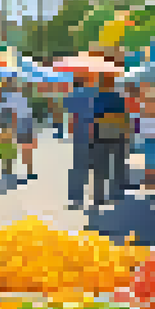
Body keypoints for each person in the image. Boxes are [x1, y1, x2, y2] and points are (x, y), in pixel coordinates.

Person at [91, 74, 131, 206]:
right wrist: (126, 133)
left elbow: (94, 118)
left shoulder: (96, 98)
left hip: (100, 136)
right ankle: (117, 194)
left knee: (100, 168)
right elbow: (125, 117)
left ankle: (99, 197)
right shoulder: (119, 98)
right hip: (117, 134)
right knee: (117, 166)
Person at [64, 75, 97, 210]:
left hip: (79, 134)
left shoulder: (72, 96)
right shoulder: (94, 93)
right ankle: (97, 199)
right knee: (96, 167)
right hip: (95, 132)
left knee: (78, 167)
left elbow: (71, 116)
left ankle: (76, 199)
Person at [0, 79, 37, 180]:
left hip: (18, 123)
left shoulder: (8, 97)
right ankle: (28, 171)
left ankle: (8, 171)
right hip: (23, 123)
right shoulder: (17, 97)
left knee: (10, 148)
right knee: (26, 148)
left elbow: (9, 113)